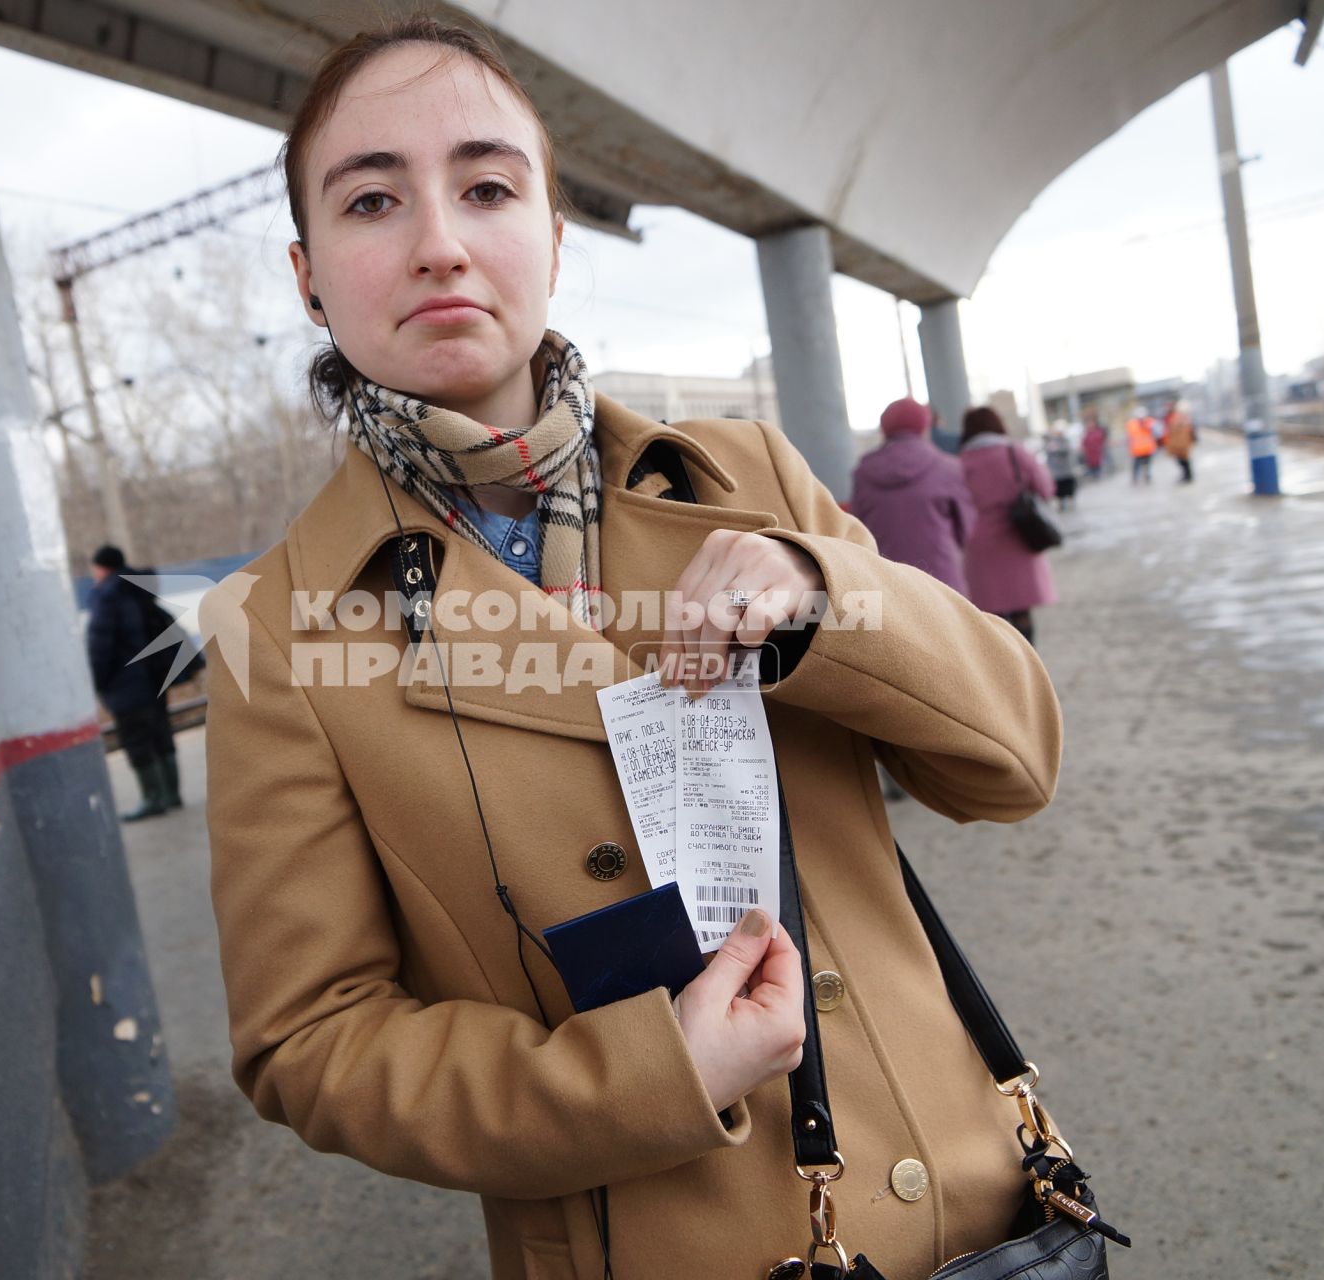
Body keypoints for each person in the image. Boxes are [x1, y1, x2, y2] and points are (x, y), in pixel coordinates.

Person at [202, 18, 1061, 1280]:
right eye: (372, 199)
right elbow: (308, 1040)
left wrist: (823, 595)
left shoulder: (746, 480)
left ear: (553, 239)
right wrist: (648, 1073)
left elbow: (1014, 760)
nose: (439, 241)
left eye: (487, 188)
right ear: (307, 272)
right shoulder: (282, 632)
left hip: (970, 1203)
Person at [86, 545, 180, 819]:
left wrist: (98, 681)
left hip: (127, 683)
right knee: (161, 732)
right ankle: (172, 793)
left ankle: (153, 799)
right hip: (154, 677)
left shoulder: (107, 598)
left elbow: (100, 646)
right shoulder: (139, 589)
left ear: (102, 568)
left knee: (136, 739)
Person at [847, 396, 975, 595]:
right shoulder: (948, 467)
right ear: (924, 426)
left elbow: (857, 527)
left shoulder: (864, 472)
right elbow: (965, 528)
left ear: (885, 428)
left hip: (888, 581)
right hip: (942, 580)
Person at [958, 407, 1059, 645]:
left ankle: (1003, 670)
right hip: (1018, 537)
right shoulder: (1016, 453)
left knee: (993, 616)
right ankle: (1028, 664)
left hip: (979, 544)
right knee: (1022, 610)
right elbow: (1046, 489)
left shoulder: (961, 462)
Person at [1044, 426, 1079, 511]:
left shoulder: (1065, 441)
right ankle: (1061, 504)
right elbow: (1048, 454)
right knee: (1059, 489)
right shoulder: (1050, 442)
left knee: (1069, 488)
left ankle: (1070, 503)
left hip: (1066, 470)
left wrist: (1057, 449)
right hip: (1056, 471)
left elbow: (1067, 450)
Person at [1163, 398, 1197, 483]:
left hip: (1181, 443)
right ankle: (1187, 475)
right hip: (1179, 443)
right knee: (1182, 460)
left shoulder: (1180, 418)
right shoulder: (1175, 418)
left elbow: (1184, 430)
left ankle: (1188, 476)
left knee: (1184, 460)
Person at [1125, 411, 1157, 484]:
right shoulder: (1132, 424)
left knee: (1146, 465)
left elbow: (1155, 430)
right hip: (1138, 449)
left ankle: (1145, 476)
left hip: (1147, 448)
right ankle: (1135, 478)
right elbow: (1129, 437)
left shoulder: (1148, 422)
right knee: (1137, 465)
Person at [1080, 412, 1108, 480]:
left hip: (1098, 453)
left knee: (1099, 468)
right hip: (1090, 454)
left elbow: (1103, 441)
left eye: (1092, 422)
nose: (1090, 424)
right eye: (1089, 423)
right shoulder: (1086, 433)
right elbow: (1084, 443)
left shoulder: (1099, 431)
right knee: (1092, 469)